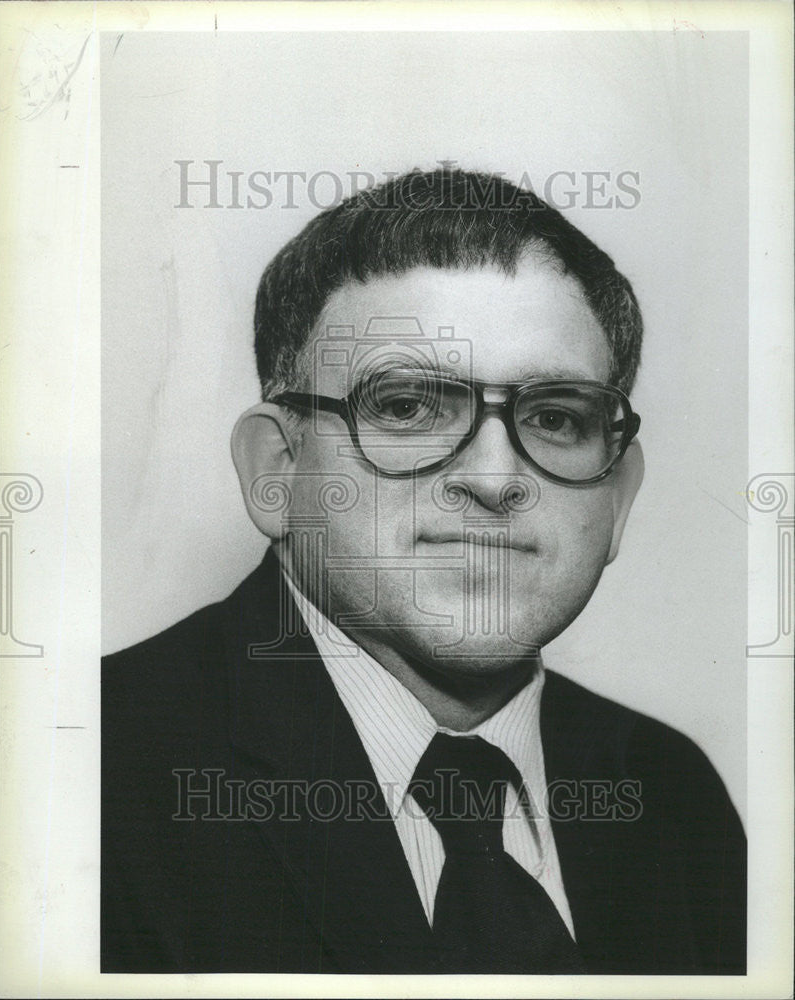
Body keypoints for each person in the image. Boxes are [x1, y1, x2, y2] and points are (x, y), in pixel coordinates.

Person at [101, 168, 746, 975]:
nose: (490, 477)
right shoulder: (83, 774)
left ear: (614, 500)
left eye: (554, 417)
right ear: (276, 471)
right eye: (407, 406)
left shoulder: (671, 791)